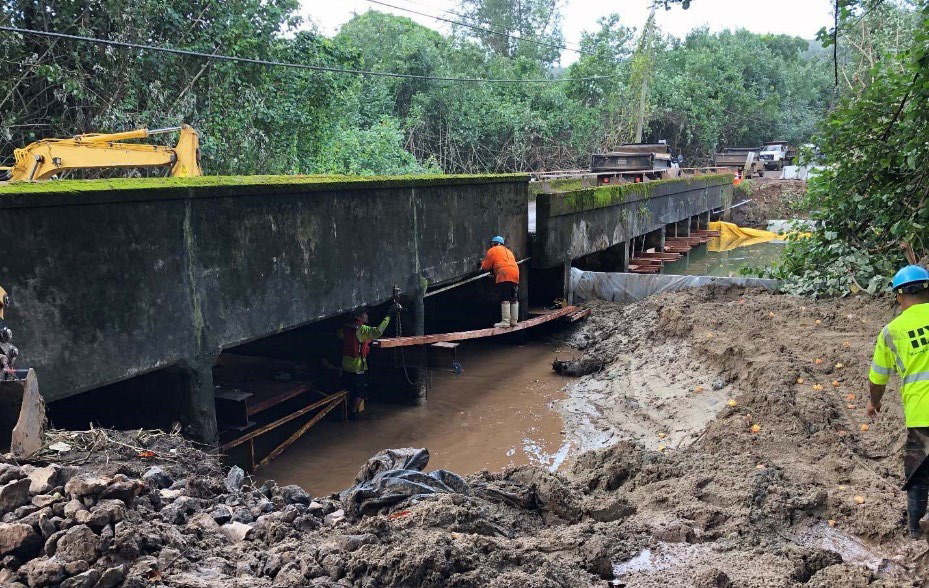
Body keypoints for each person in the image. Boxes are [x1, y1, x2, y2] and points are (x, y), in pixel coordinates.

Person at [867, 264, 929, 538]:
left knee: (918, 475)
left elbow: (878, 378)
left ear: (898, 296)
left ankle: (916, 533)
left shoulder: (892, 332)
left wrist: (874, 402)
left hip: (922, 414)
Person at [339, 306, 392, 419]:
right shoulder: (362, 329)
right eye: (364, 314)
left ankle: (345, 412)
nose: (367, 315)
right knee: (360, 392)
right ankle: (353, 413)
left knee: (348, 389)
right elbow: (378, 331)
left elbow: (341, 336)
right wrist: (389, 316)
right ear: (358, 317)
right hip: (358, 368)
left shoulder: (345, 328)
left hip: (345, 366)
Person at [480, 235, 520, 328]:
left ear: (495, 243)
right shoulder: (509, 251)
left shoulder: (492, 250)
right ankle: (514, 321)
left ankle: (505, 322)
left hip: (504, 274)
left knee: (505, 297)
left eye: (492, 243)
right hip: (515, 274)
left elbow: (486, 266)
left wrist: (481, 264)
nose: (491, 245)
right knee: (514, 298)